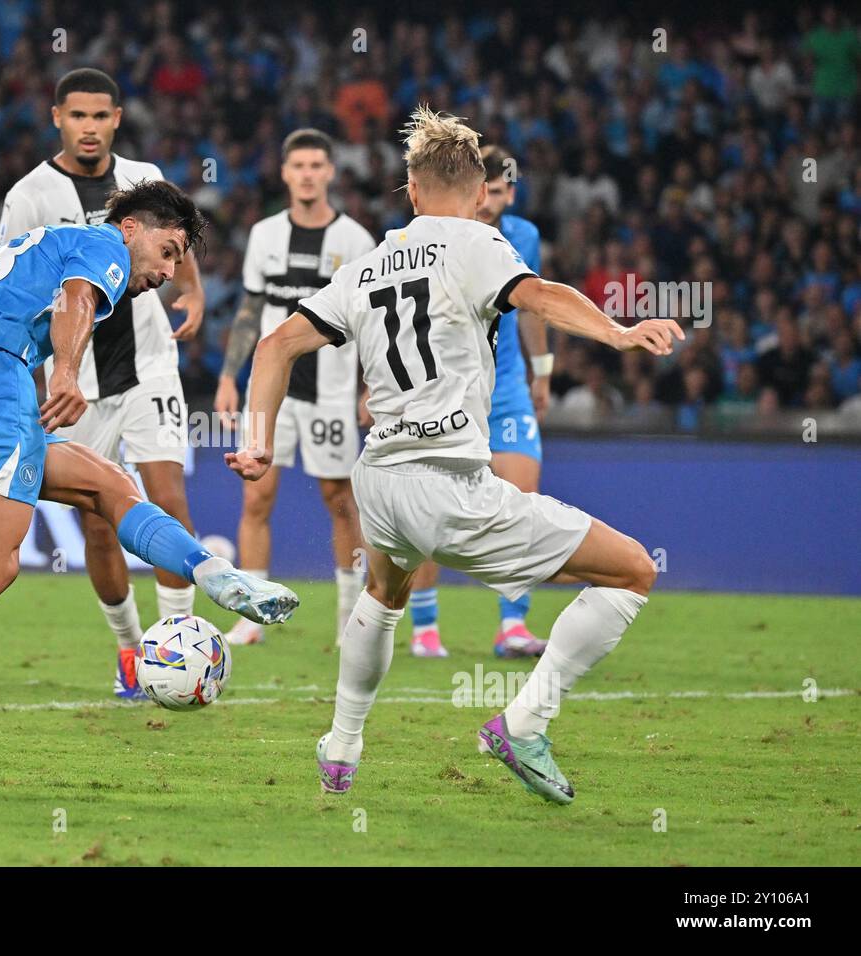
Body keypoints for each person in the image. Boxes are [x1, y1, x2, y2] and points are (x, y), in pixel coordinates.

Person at [228, 105, 681, 804]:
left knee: (384, 594)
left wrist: (256, 440)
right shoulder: (479, 243)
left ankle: (342, 746)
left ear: (410, 192)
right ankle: (525, 721)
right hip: (449, 482)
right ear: (477, 193)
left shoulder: (369, 263)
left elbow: (273, 344)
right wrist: (618, 334)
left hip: (377, 478)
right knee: (631, 570)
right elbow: (540, 296)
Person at [0, 181, 299, 785]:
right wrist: (68, 375)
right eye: (168, 249)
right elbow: (75, 299)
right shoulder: (100, 243)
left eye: (179, 261)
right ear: (131, 228)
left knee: (108, 483)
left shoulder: (30, 248)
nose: (167, 270)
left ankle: (217, 575)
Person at [0, 68, 205, 699]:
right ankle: (127, 650)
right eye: (77, 116)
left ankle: (177, 652)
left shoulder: (143, 180)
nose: (89, 128)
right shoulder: (29, 194)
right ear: (57, 116)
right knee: (97, 521)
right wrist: (31, 383)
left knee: (168, 499)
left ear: (118, 118)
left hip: (147, 368)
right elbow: (15, 286)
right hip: (73, 380)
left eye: (101, 116)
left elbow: (180, 241)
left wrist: (192, 291)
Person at [215, 128, 376, 646]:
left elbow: (374, 318)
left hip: (329, 391)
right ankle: (252, 614)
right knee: (256, 498)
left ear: (330, 172)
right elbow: (250, 311)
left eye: (316, 166)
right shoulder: (264, 235)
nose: (307, 174)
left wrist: (370, 386)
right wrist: (226, 376)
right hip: (270, 394)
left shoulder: (355, 240)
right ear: (285, 173)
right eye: (298, 166)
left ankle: (351, 613)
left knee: (339, 498)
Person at [405, 144, 552, 660]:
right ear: (471, 187)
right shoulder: (432, 238)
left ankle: (512, 624)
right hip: (444, 389)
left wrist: (543, 371)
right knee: (426, 511)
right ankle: (425, 627)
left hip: (506, 388)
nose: (496, 195)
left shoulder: (524, 236)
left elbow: (533, 306)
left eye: (506, 187)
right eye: (488, 185)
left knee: (522, 501)